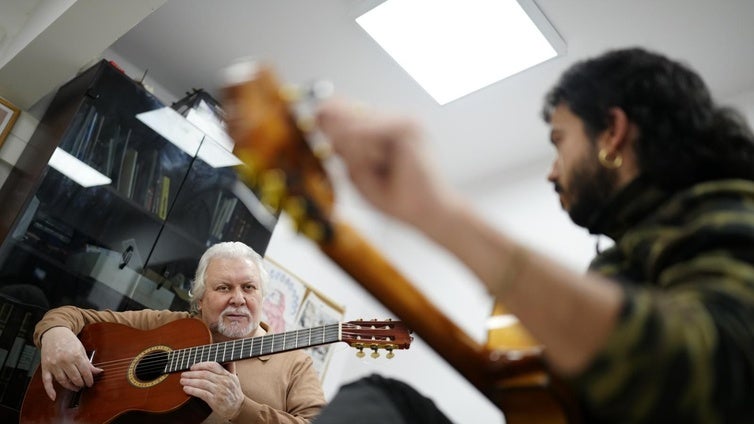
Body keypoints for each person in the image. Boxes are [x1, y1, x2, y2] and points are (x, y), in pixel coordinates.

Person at [313, 47, 754, 423]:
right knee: (382, 401)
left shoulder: (729, 206)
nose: (552, 171)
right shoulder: (633, 252)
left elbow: (714, 375)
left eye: (560, 142)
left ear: (612, 133)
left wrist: (441, 214)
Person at [33, 241, 326, 423]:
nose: (238, 298)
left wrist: (241, 408)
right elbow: (72, 316)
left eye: (248, 288)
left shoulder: (294, 363)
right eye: (224, 288)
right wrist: (55, 333)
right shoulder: (167, 323)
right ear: (200, 299)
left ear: (262, 297)